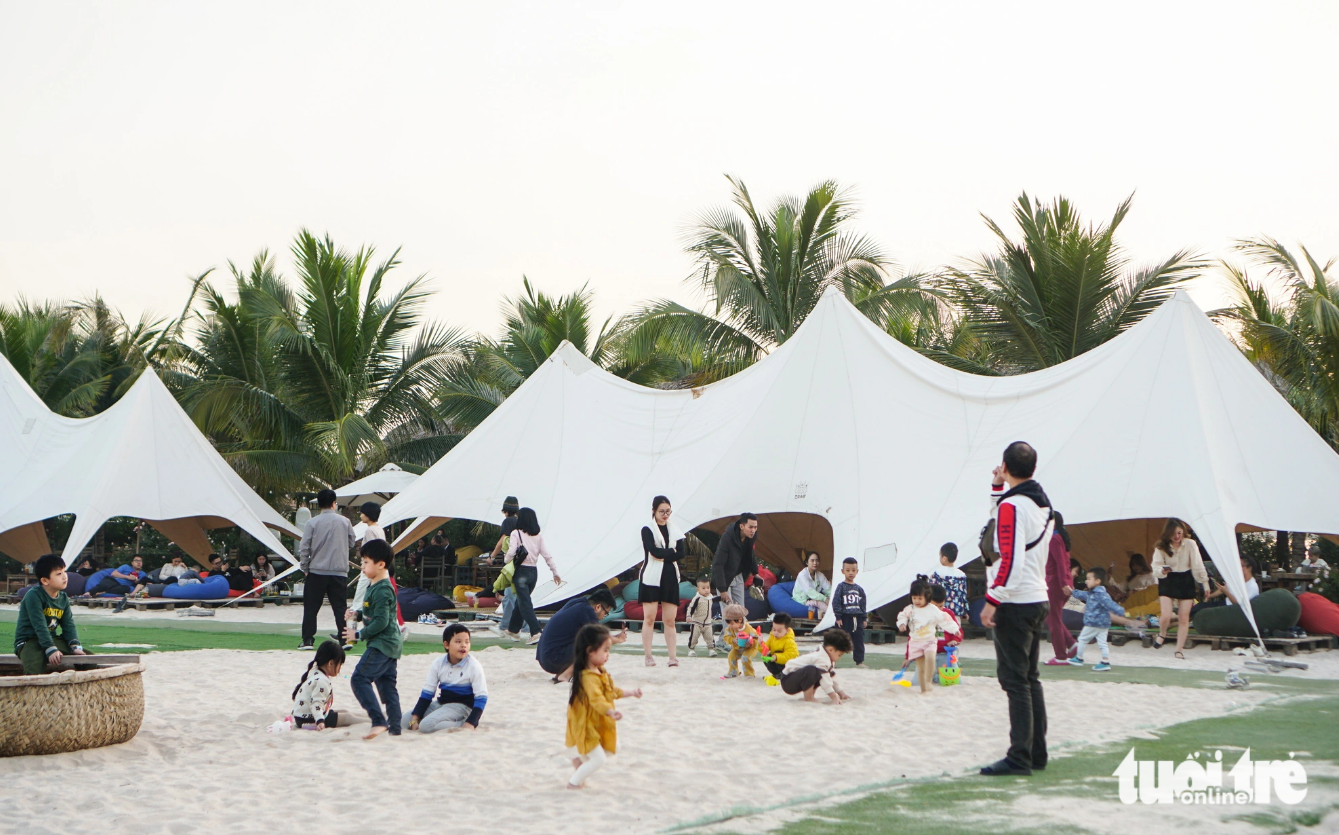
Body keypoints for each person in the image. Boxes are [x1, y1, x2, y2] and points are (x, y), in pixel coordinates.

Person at [980, 441, 1054, 776]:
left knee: (1015, 681)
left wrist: (993, 600)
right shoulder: (1041, 502)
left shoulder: (1013, 506)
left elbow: (1010, 557)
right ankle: (1036, 752)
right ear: (1033, 469)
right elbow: (1007, 521)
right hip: (1037, 596)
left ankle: (1020, 756)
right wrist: (999, 486)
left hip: (1015, 600)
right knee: (1029, 679)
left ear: (1006, 466)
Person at [565, 623, 642, 789]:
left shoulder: (600, 670)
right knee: (598, 759)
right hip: (585, 722)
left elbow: (611, 690)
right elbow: (596, 699)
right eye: (605, 650)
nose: (608, 654)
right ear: (590, 651)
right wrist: (609, 711)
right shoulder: (588, 677)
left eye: (609, 650)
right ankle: (573, 783)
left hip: (596, 720)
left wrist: (631, 692)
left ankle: (580, 760)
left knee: (614, 746)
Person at [342, 539, 404, 739]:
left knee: (359, 678)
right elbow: (372, 613)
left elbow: (381, 622)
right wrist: (356, 615)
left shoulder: (384, 588)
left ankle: (378, 721)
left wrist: (358, 635)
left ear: (381, 564)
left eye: (366, 562)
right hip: (390, 645)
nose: (362, 566)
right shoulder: (375, 586)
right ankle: (395, 729)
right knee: (387, 689)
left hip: (382, 644)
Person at [299, 488, 356, 651]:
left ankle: (308, 640)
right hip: (339, 571)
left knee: (311, 607)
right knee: (340, 606)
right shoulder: (345, 521)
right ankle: (345, 640)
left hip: (316, 570)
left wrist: (305, 567)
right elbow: (352, 542)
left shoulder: (312, 522)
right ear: (333, 503)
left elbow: (304, 547)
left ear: (319, 504)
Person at [406, 624, 488, 733]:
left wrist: (471, 722)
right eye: (458, 642)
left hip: (462, 707)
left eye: (467, 642)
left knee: (426, 726)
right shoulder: (438, 663)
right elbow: (428, 692)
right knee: (403, 721)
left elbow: (481, 696)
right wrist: (415, 719)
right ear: (446, 645)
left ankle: (462, 723)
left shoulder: (473, 666)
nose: (464, 645)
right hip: (441, 703)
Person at [15, 554, 88, 675]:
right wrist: (51, 649)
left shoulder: (63, 598)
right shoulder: (33, 596)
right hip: (29, 640)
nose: (65, 576)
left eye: (64, 571)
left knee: (88, 660)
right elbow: (39, 625)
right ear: (44, 580)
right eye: (59, 574)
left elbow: (68, 624)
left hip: (51, 638)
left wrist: (74, 645)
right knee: (34, 669)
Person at [534, 588, 626, 682]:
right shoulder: (587, 611)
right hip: (552, 659)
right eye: (605, 613)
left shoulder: (576, 602)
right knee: (593, 645)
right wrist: (618, 639)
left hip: (544, 656)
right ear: (598, 607)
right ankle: (566, 675)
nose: (603, 616)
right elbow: (599, 638)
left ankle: (562, 674)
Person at [501, 507, 564, 644]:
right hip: (533, 573)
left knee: (524, 603)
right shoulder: (538, 536)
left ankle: (536, 631)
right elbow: (547, 555)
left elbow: (511, 553)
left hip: (521, 572)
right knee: (522, 601)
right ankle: (513, 629)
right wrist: (555, 572)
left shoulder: (515, 533)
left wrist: (505, 560)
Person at [1150, 518, 1209, 659]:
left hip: (1185, 579)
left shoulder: (1190, 544)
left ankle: (1179, 650)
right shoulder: (1160, 547)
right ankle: (1162, 633)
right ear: (1167, 534)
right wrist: (1161, 571)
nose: (1177, 536)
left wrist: (1204, 583)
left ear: (1183, 532)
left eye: (1179, 533)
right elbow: (1155, 566)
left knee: (1184, 618)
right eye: (1174, 533)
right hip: (1168, 579)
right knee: (1166, 615)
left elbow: (1197, 565)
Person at [638, 495, 685, 667]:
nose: (665, 515)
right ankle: (648, 655)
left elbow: (681, 552)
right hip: (651, 576)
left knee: (670, 620)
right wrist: (669, 553)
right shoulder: (647, 529)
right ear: (654, 511)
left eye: (668, 511)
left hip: (670, 576)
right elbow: (653, 551)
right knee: (649, 618)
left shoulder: (675, 530)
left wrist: (665, 554)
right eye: (661, 512)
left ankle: (672, 657)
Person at [896, 578, 961, 694]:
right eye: (914, 598)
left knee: (930, 658)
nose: (917, 601)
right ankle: (923, 689)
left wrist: (955, 630)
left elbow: (945, 619)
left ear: (927, 597)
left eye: (920, 598)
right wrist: (902, 624)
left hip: (930, 641)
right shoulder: (910, 609)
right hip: (916, 642)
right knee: (921, 668)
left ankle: (928, 680)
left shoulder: (933, 609)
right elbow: (902, 616)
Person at [290, 641, 367, 730]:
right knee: (347, 717)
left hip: (300, 717)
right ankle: (373, 722)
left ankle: (371, 717)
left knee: (344, 711)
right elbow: (316, 703)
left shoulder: (314, 671)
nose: (340, 669)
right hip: (309, 719)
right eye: (340, 665)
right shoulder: (322, 681)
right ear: (330, 663)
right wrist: (320, 721)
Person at [1065, 567, 1125, 671]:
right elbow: (1082, 595)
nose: (1086, 581)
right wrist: (1072, 592)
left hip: (1093, 623)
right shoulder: (1095, 593)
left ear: (1097, 581)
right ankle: (1105, 661)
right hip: (1103, 624)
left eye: (1089, 579)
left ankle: (1079, 658)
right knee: (1102, 643)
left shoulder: (1099, 595)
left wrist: (1120, 610)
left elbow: (1110, 604)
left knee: (1082, 639)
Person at [1043, 512, 1079, 666]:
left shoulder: (1054, 539)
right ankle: (1071, 644)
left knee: (1053, 620)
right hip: (1061, 581)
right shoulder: (1059, 537)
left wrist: (1063, 583)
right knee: (1052, 617)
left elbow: (1060, 563)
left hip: (1056, 582)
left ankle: (1060, 656)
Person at [779, 629, 852, 704]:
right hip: (788, 680)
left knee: (820, 673)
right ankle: (809, 697)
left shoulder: (827, 658)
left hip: (797, 677)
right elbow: (825, 681)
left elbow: (831, 678)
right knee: (812, 670)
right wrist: (834, 697)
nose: (839, 658)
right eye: (839, 655)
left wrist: (841, 694)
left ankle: (811, 695)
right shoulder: (821, 658)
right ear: (831, 650)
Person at [711, 513, 758, 614]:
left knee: (741, 611)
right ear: (742, 526)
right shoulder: (727, 538)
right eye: (750, 527)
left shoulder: (751, 537)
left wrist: (756, 573)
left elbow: (751, 554)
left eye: (755, 527)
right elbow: (717, 564)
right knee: (728, 612)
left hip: (738, 575)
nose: (753, 530)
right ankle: (727, 630)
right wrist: (722, 590)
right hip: (725, 577)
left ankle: (741, 630)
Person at [831, 557, 868, 668]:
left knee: (859, 641)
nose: (850, 573)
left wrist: (864, 618)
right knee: (839, 639)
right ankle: (833, 661)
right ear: (843, 571)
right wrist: (838, 616)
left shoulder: (859, 589)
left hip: (857, 618)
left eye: (853, 570)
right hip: (844, 618)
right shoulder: (841, 587)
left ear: (857, 571)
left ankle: (859, 661)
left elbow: (863, 604)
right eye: (847, 570)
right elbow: (836, 602)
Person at [1193, 556, 1261, 615]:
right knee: (1201, 606)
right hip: (1226, 604)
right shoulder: (1238, 580)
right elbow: (1223, 589)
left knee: (1202, 608)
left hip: (1232, 609)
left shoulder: (1252, 586)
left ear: (1250, 568)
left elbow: (1238, 604)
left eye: (1241, 565)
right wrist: (1210, 596)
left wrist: (1226, 592)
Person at [721, 603, 761, 678]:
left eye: (732, 623)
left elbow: (756, 638)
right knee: (731, 655)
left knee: (745, 658)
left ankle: (749, 674)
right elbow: (726, 637)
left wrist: (750, 643)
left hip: (750, 648)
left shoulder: (748, 629)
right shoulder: (730, 629)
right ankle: (733, 672)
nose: (730, 625)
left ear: (740, 620)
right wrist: (732, 639)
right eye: (728, 623)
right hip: (738, 648)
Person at [931, 543, 968, 620]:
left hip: (940, 611)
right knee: (955, 630)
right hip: (956, 613)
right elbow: (963, 595)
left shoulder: (937, 574)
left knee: (940, 632)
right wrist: (965, 611)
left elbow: (930, 592)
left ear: (944, 558)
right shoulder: (961, 575)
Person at [760, 612, 800, 685]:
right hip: (777, 663)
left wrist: (776, 657)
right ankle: (777, 674)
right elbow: (765, 648)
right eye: (774, 629)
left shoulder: (789, 641)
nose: (775, 633)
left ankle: (784, 674)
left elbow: (793, 656)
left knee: (778, 652)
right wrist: (760, 644)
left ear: (787, 630)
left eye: (779, 631)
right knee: (766, 657)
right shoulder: (772, 636)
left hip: (788, 666)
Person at [791, 552, 832, 618]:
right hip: (803, 600)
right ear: (807, 562)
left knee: (831, 600)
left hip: (813, 597)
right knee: (819, 603)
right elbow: (810, 592)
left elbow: (828, 589)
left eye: (817, 560)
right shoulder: (802, 575)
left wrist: (833, 598)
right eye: (812, 560)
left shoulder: (820, 575)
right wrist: (825, 599)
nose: (815, 563)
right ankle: (832, 615)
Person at [685, 576, 716, 657]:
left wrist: (724, 599)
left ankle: (711, 649)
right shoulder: (697, 598)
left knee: (710, 637)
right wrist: (689, 615)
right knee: (694, 637)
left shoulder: (710, 597)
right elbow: (691, 607)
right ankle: (691, 649)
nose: (706, 590)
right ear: (698, 590)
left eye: (708, 587)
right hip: (697, 622)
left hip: (707, 622)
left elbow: (716, 600)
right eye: (703, 588)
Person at [488, 496, 521, 563]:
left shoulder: (508, 521)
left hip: (511, 559)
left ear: (507, 511)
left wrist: (492, 557)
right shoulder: (522, 521)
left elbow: (503, 540)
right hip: (523, 559)